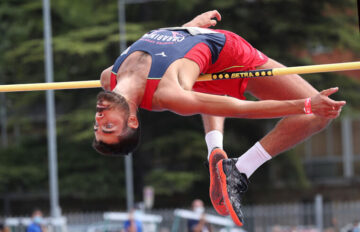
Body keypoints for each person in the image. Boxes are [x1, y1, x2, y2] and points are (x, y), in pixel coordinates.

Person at [92, 10, 346, 226]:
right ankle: (239, 169)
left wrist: (189, 27)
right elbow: (238, 107)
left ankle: (216, 151)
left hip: (198, 47)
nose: (100, 118)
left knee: (201, 83)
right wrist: (306, 104)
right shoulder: (168, 93)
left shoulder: (109, 76)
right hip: (232, 55)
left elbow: (164, 46)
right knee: (318, 117)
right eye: (109, 126)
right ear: (132, 121)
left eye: (98, 126)